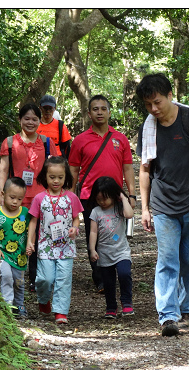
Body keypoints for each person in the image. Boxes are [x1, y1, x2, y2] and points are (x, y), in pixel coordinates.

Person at [135, 73, 189, 337]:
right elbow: (145, 169)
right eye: (148, 105)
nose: (154, 109)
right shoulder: (148, 128)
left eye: (157, 102)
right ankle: (168, 316)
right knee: (168, 259)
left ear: (170, 96)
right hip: (163, 205)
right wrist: (144, 208)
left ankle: (184, 306)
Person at [69, 94, 136, 293]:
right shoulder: (80, 140)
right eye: (95, 109)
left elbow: (128, 168)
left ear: (108, 112)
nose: (99, 112)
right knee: (94, 234)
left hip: (115, 195)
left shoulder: (120, 138)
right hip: (90, 194)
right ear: (89, 113)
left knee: (116, 233)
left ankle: (118, 268)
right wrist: (71, 196)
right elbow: (73, 169)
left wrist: (131, 195)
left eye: (103, 109)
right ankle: (100, 278)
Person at [0, 103, 60, 293]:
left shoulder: (47, 142)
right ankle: (16, 275)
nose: (30, 122)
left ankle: (36, 278)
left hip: (41, 199)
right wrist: (1, 195)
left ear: (39, 121)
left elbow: (55, 170)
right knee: (18, 237)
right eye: (27, 118)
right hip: (16, 199)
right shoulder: (9, 142)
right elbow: (3, 170)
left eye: (34, 119)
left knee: (40, 238)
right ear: (20, 120)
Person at [26, 156, 84, 325]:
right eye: (52, 177)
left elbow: (76, 218)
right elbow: (33, 221)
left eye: (60, 177)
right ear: (45, 176)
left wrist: (75, 228)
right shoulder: (39, 198)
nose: (56, 181)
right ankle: (43, 300)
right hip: (45, 246)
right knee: (45, 278)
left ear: (66, 177)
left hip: (66, 246)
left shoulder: (71, 197)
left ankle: (60, 311)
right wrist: (31, 241)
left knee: (63, 279)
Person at [88, 176, 135, 319]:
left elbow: (129, 214)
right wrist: (92, 249)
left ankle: (126, 302)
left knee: (124, 274)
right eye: (99, 199)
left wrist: (123, 197)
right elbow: (93, 232)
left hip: (121, 251)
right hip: (104, 253)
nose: (102, 202)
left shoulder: (119, 208)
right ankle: (111, 307)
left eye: (105, 198)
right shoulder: (96, 212)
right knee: (108, 282)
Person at [0, 177, 30, 318]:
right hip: (3, 254)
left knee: (19, 281)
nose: (15, 202)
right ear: (3, 194)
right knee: (6, 276)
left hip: (20, 255)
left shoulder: (24, 213)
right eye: (12, 197)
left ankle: (19, 305)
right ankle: (7, 304)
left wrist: (30, 243)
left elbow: (30, 229)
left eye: (19, 199)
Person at [37, 94, 73, 159]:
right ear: (40, 108)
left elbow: (67, 147)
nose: (48, 111)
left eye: (50, 108)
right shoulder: (34, 125)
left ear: (55, 109)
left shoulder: (60, 125)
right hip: (38, 160)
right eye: (45, 108)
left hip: (56, 162)